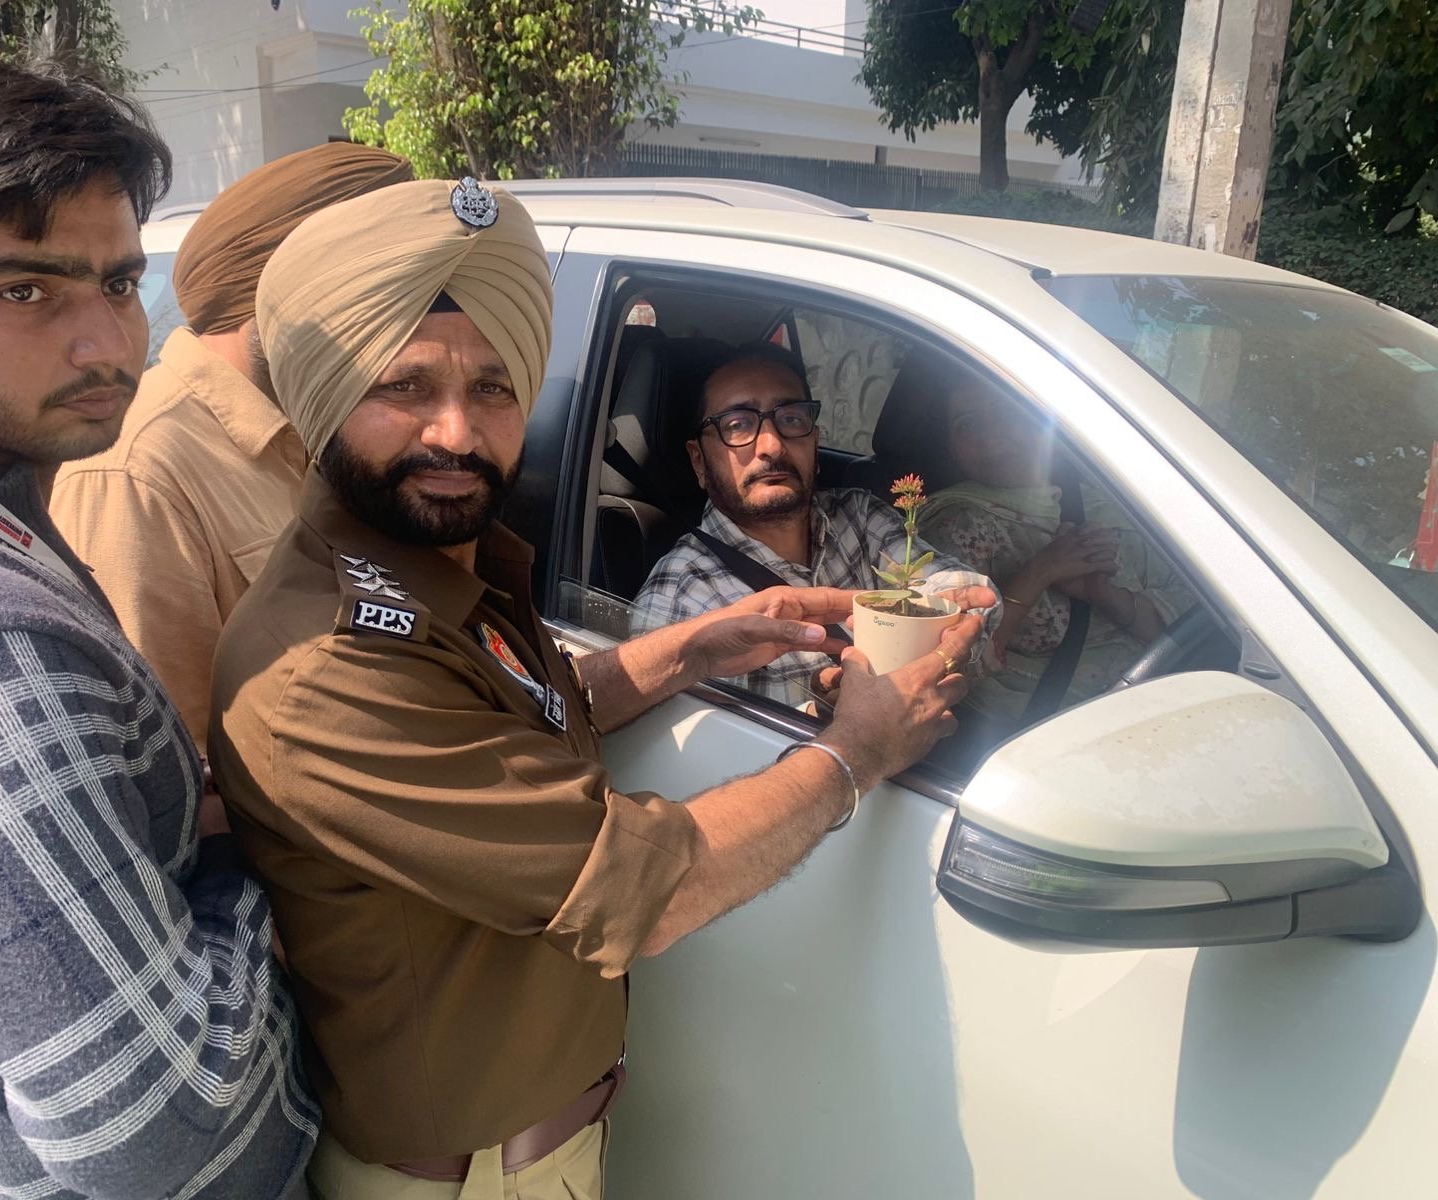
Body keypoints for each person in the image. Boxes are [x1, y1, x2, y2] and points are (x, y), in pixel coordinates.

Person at [207, 178, 992, 1199]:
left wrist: (690, 651)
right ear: (324, 396)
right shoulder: (328, 665)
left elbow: (509, 711)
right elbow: (646, 892)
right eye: (405, 385)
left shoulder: (438, 573)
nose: (456, 431)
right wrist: (859, 750)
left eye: (495, 387)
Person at [0, 49, 317, 1199]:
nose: (109, 343)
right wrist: (263, 852)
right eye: (25, 291)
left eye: (117, 283)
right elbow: (162, 1133)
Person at [50, 142, 414, 749]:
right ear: (276, 293)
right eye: (369, 300)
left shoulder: (324, 423)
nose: (395, 329)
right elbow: (171, 757)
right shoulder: (137, 472)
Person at [632, 341, 1000, 708]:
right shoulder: (679, 598)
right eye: (738, 424)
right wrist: (820, 714)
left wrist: (950, 618)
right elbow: (689, 739)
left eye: (791, 418)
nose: (772, 445)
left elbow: (957, 586)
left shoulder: (858, 514)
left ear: (815, 443)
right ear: (698, 462)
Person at [914, 361, 1192, 725]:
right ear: (950, 446)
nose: (991, 436)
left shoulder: (1112, 506)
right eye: (968, 425)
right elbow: (946, 661)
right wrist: (1041, 571)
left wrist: (1104, 595)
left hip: (1165, 695)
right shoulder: (954, 523)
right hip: (1046, 728)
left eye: (1007, 414)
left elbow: (1188, 630)